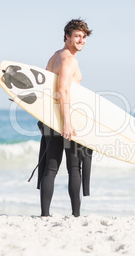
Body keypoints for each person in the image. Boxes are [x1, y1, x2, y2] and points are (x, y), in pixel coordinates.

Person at [36, 19, 93, 217]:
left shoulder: (55, 57)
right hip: (67, 120)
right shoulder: (70, 60)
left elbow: (45, 89)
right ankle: (76, 215)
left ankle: (45, 214)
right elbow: (62, 90)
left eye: (84, 37)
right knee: (74, 168)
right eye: (77, 36)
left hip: (52, 119)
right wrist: (67, 123)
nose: (81, 40)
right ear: (67, 36)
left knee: (50, 168)